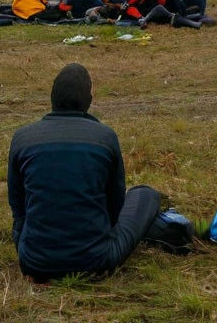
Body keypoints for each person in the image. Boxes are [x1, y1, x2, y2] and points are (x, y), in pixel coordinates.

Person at [8, 64, 162, 282]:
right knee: (145, 194)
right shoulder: (105, 137)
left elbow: (18, 206)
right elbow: (115, 205)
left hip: (34, 262)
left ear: (52, 99)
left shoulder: (23, 138)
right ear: (88, 101)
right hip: (95, 260)